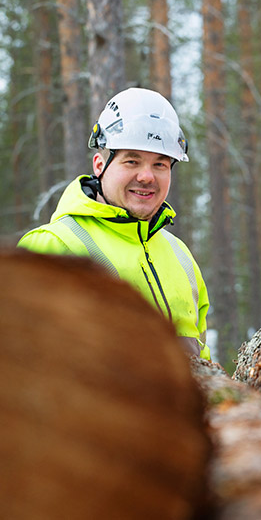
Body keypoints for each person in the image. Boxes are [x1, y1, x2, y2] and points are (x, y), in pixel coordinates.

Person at [18, 88, 211, 359]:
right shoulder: (52, 246)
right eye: (132, 161)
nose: (146, 177)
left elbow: (204, 363)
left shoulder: (181, 257)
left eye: (160, 164)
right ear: (100, 164)